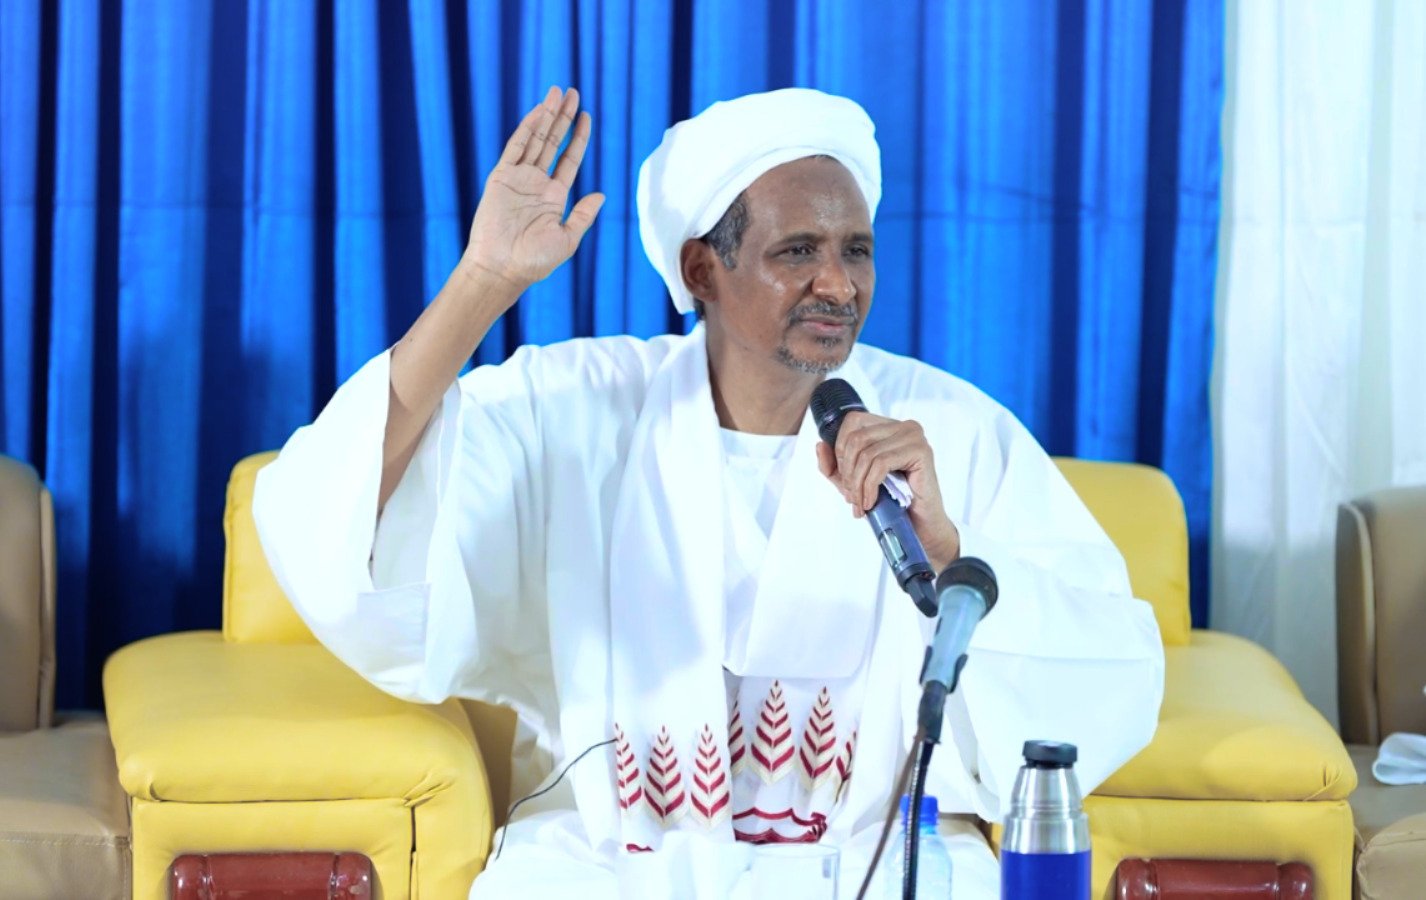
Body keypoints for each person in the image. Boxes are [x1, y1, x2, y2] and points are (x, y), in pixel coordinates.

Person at [253, 86, 1164, 898]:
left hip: (885, 854)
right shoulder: (578, 409)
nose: (839, 284)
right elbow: (341, 519)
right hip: (614, 861)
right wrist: (482, 284)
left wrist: (949, 557)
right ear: (701, 270)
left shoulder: (950, 428)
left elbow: (1103, 683)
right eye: (798, 250)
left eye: (856, 250)